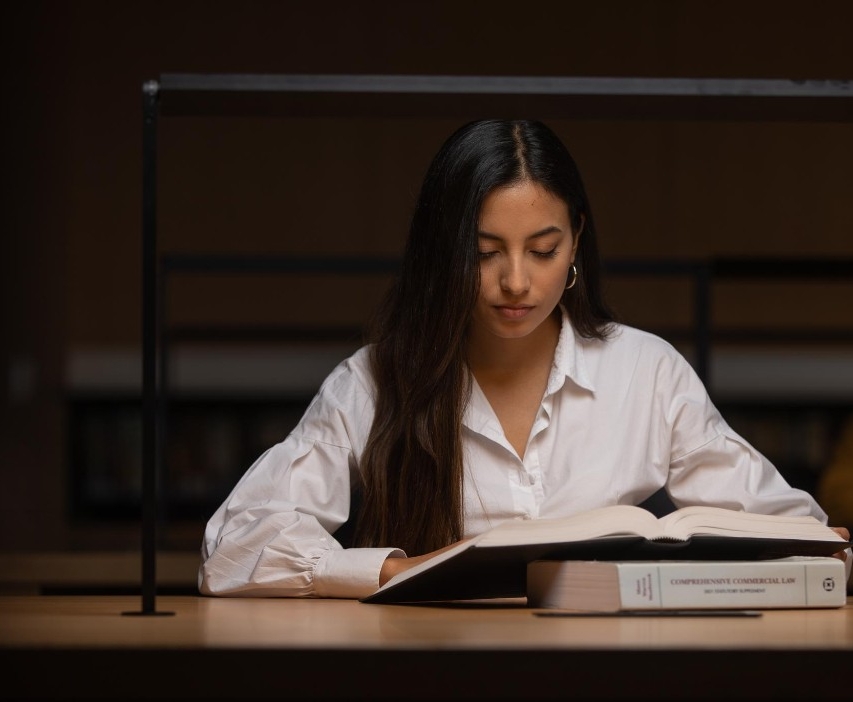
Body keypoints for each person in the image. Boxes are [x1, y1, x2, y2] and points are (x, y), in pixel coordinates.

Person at [200, 118, 850, 599]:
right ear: (440, 250)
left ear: (576, 242)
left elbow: (796, 528)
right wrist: (395, 571)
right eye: (484, 251)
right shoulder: (374, 380)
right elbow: (233, 546)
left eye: (543, 250)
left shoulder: (644, 372)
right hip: (429, 697)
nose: (516, 281)